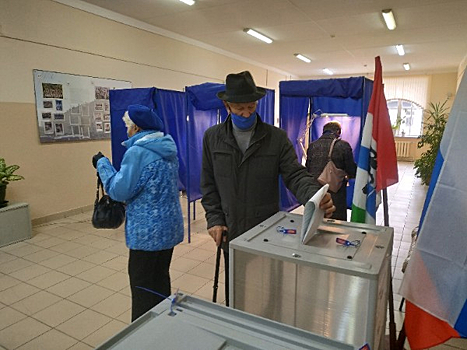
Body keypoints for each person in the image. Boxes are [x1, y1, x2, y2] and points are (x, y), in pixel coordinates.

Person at [201, 71, 335, 249]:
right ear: (227, 105)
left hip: (266, 228)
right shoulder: (212, 137)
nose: (246, 114)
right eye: (239, 109)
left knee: (266, 275)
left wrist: (313, 196)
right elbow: (208, 183)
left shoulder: (275, 138)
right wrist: (214, 219)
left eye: (251, 107)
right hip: (229, 227)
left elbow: (294, 174)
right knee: (234, 276)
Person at [92, 104, 184, 321]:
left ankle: (142, 335)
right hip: (169, 228)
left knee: (142, 287)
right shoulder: (168, 147)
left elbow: (118, 191)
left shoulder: (138, 152)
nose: (127, 131)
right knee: (161, 279)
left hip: (147, 233)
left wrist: (102, 164)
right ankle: (163, 325)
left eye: (128, 126)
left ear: (136, 128)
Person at [306, 121, 357, 221]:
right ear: (338, 132)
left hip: (315, 191)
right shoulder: (343, 145)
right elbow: (351, 170)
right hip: (335, 193)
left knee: (315, 221)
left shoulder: (312, 146)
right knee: (336, 223)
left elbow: (307, 168)